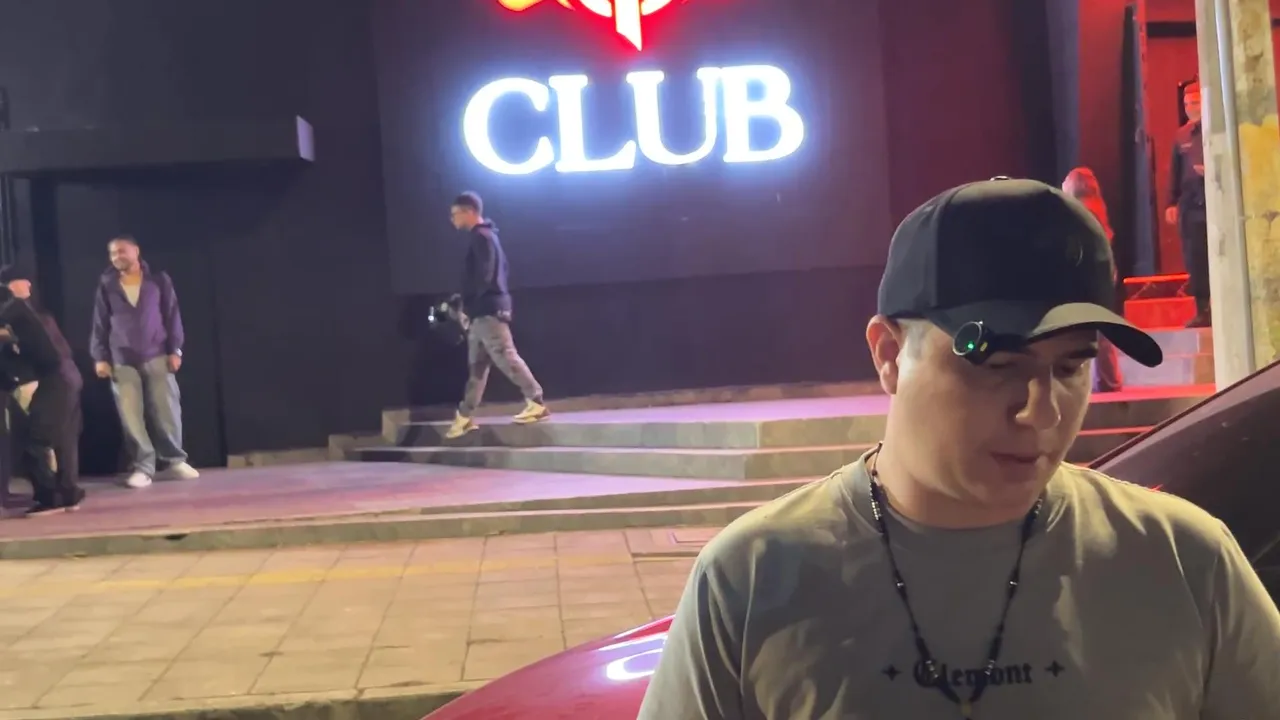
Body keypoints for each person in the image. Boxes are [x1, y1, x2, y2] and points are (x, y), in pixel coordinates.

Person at [638, 178, 1280, 719]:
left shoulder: (1184, 561)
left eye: (1070, 367)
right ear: (889, 355)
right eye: (997, 364)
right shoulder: (754, 579)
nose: (1041, 411)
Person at [89, 235, 198, 488]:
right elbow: (100, 322)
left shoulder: (158, 280)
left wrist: (175, 350)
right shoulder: (107, 284)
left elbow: (172, 315)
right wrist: (100, 357)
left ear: (136, 251)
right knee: (131, 415)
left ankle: (174, 460)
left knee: (166, 409)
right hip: (122, 359)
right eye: (113, 253)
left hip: (157, 353)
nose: (117, 257)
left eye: (122, 251)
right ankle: (143, 467)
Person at [444, 192, 549, 439]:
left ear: (469, 211)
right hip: (480, 312)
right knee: (477, 367)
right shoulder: (484, 237)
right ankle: (464, 417)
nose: (452, 219)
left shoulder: (482, 237)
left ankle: (536, 401)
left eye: (455, 214)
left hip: (487, 311)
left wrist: (467, 306)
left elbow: (485, 276)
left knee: (505, 356)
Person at [0, 268, 85, 516]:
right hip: (67, 376)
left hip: (56, 379)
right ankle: (68, 494)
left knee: (34, 441)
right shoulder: (36, 314)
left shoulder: (16, 309)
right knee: (64, 440)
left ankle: (51, 498)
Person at [1062, 167, 1123, 392]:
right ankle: (1108, 380)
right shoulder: (1097, 208)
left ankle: (1105, 381)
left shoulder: (1079, 211)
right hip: (1099, 274)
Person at [1165, 79, 1210, 328]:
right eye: (1186, 104)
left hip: (1214, 204)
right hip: (1190, 207)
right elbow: (1174, 171)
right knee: (1195, 258)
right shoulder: (1181, 135)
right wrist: (1171, 202)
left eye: (1195, 102)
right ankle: (1203, 310)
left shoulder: (1216, 129)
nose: (1190, 108)